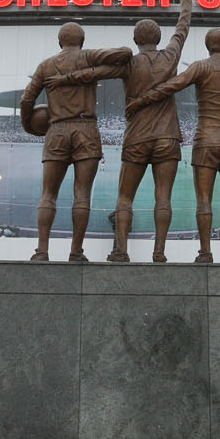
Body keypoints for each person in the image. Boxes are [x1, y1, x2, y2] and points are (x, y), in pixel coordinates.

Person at [46, 0, 192, 262]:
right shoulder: (171, 55)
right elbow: (182, 28)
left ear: (135, 40)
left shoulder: (129, 64)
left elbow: (95, 73)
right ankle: (159, 253)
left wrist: (66, 78)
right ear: (158, 38)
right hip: (167, 137)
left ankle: (121, 250)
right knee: (163, 198)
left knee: (125, 198)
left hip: (137, 137)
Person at [127, 28, 220, 263]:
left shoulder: (201, 66)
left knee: (204, 200)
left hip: (206, 141)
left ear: (208, 46)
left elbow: (172, 86)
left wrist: (142, 100)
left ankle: (205, 253)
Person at [20, 24, 132, 262]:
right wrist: (91, 71)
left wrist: (29, 126)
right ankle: (76, 251)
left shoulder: (46, 65)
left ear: (60, 41)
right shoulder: (88, 56)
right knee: (82, 194)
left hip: (57, 129)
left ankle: (42, 251)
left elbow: (26, 99)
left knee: (48, 194)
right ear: (81, 41)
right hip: (85, 129)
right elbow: (125, 53)